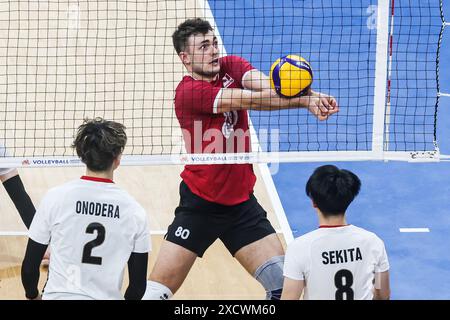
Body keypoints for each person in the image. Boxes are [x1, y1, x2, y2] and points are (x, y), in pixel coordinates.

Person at [143, 18, 339, 300]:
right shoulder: (188, 93)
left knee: (286, 291)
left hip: (241, 207)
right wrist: (305, 100)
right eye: (203, 47)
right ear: (185, 58)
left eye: (213, 43)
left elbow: (267, 87)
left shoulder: (230, 65)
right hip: (200, 205)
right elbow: (251, 101)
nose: (213, 51)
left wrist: (310, 95)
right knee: (156, 293)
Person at [21, 118, 150, 300]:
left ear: (83, 155)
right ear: (117, 159)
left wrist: (33, 295)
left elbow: (29, 268)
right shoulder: (135, 212)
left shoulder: (55, 198)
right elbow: (138, 287)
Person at [281, 165, 390, 300]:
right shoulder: (373, 242)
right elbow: (383, 295)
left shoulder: (299, 248)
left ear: (314, 202)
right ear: (349, 199)